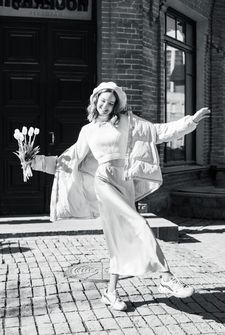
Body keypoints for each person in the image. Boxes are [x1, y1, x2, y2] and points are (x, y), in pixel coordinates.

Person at [32, 82, 210, 311]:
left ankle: (110, 292)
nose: (106, 105)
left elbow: (158, 132)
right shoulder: (88, 131)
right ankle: (166, 277)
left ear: (117, 105)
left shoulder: (127, 122)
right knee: (138, 222)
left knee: (119, 239)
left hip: (125, 183)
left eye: (111, 102)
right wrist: (36, 162)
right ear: (95, 100)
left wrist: (190, 122)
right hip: (103, 181)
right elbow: (68, 160)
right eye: (102, 101)